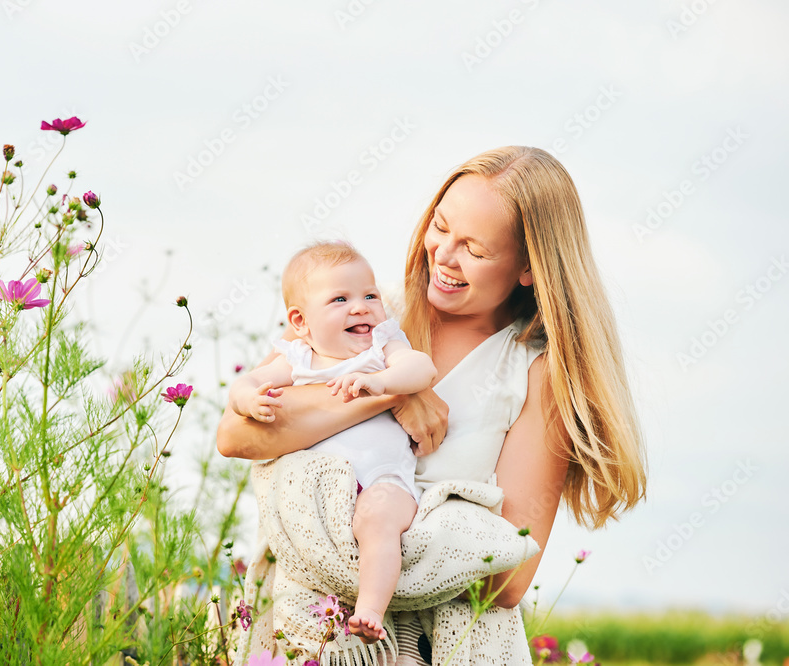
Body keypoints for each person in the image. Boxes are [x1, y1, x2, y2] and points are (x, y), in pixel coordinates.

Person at [218, 146, 647, 664]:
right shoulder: (358, 310)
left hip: (433, 646)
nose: (443, 255)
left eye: (475, 249)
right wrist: (396, 396)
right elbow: (237, 436)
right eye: (440, 227)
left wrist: (370, 555)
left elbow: (508, 577)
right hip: (312, 634)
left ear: (528, 268)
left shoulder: (536, 372)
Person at [228, 241, 437, 642]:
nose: (361, 308)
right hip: (319, 492)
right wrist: (248, 399)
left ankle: (370, 610)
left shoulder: (382, 347)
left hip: (382, 480)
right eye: (341, 299)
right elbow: (247, 382)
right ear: (301, 321)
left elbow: (421, 367)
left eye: (370, 296)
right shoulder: (299, 358)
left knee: (378, 520)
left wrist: (382, 383)